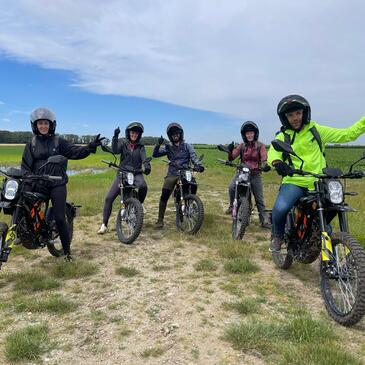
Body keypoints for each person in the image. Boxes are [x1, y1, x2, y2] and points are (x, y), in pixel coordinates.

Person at [268, 94, 365, 252]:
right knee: (281, 208)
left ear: (305, 113)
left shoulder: (316, 130)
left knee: (334, 207)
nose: (295, 118)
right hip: (295, 180)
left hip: (320, 182)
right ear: (285, 118)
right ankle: (278, 236)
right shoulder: (283, 136)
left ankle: (321, 237)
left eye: (298, 113)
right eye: (290, 115)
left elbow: (347, 134)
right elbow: (273, 153)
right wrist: (277, 163)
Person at [21, 107, 103, 261]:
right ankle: (25, 233)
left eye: (46, 123)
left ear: (51, 125)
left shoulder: (59, 142)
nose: (43, 126)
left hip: (56, 183)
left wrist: (90, 147)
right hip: (38, 183)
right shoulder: (31, 143)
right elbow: (25, 166)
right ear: (35, 125)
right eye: (40, 124)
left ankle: (67, 252)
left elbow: (74, 152)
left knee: (59, 218)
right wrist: (28, 177)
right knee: (24, 206)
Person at [97, 122, 151, 234]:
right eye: (132, 132)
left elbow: (144, 158)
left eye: (136, 133)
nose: (134, 134)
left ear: (139, 135)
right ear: (128, 133)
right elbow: (115, 150)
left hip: (136, 173)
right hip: (122, 173)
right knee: (109, 198)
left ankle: (139, 204)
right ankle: (104, 224)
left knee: (143, 186)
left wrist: (147, 166)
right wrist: (115, 136)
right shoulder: (123, 143)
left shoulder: (141, 147)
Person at [152, 122, 204, 229]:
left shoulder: (187, 146)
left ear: (181, 134)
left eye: (177, 133)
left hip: (185, 172)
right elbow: (155, 154)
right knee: (164, 195)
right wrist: (158, 144)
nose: (175, 135)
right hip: (173, 173)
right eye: (172, 134)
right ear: (170, 136)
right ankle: (160, 220)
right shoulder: (168, 147)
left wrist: (198, 166)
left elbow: (194, 158)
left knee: (193, 184)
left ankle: (190, 202)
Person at [225, 121, 271, 229]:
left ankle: (264, 220)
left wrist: (265, 164)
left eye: (251, 133)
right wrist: (229, 150)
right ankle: (232, 206)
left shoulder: (261, 146)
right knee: (231, 187)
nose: (249, 135)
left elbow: (264, 158)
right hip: (242, 173)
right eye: (247, 133)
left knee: (259, 198)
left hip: (255, 174)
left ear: (255, 134)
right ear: (244, 135)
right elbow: (232, 157)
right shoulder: (241, 146)